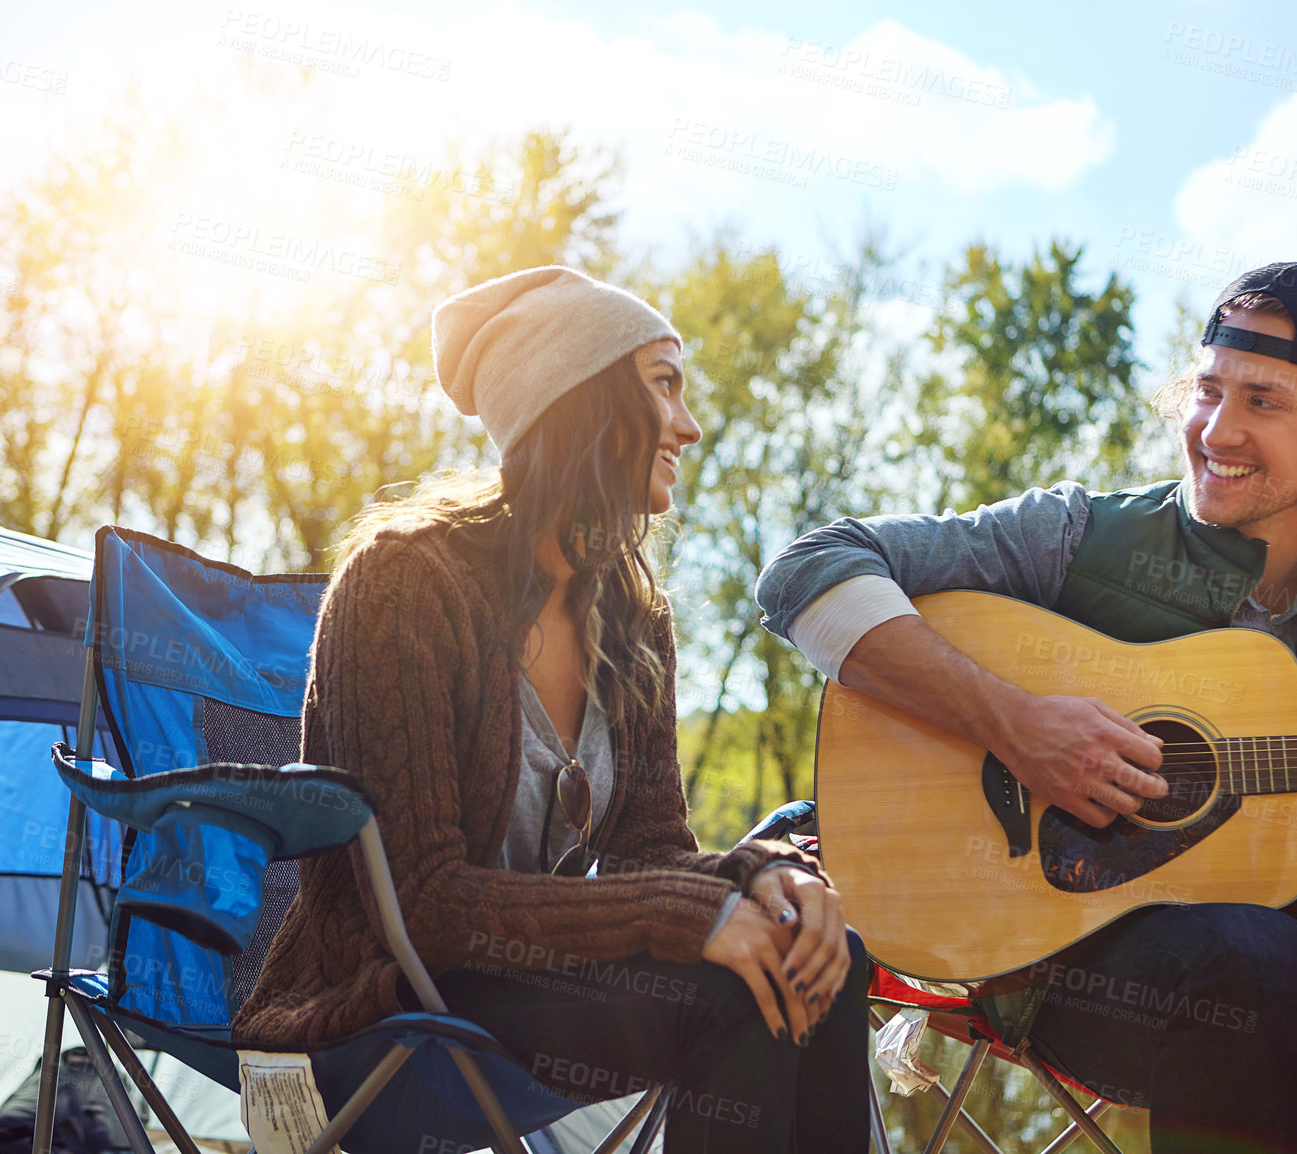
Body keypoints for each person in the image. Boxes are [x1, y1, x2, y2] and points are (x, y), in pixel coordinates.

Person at [755, 261, 1297, 1153]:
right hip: (1078, 979)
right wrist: (1016, 726)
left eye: (1264, 402)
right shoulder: (1079, 540)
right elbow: (807, 571)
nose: (1218, 430)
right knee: (1257, 960)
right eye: (1208, 392)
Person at [233, 265, 868, 1153]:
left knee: (816, 963)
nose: (689, 425)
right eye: (664, 385)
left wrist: (759, 877)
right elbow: (425, 908)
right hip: (384, 1006)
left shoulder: (633, 616)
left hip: (533, 991)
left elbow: (654, 855)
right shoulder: (404, 586)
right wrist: (686, 915)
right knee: (733, 990)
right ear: (581, 398)